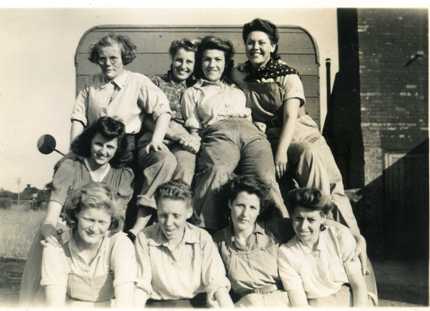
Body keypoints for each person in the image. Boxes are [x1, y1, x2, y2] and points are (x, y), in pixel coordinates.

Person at [232, 17, 368, 271]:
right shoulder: (241, 73)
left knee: (320, 172)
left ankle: (341, 236)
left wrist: (282, 152)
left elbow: (291, 116)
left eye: (262, 42)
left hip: (299, 135)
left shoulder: (288, 75)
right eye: (250, 43)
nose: (255, 48)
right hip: (269, 139)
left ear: (273, 46)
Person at [19, 116, 134, 305]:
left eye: (110, 147)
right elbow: (51, 219)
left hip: (101, 238)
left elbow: (116, 222)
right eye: (99, 144)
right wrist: (55, 236)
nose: (103, 151)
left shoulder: (122, 175)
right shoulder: (70, 167)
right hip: (65, 232)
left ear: (117, 148)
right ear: (90, 141)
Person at [70, 33, 175, 234]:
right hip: (99, 146)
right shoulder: (90, 86)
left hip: (130, 143)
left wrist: (156, 139)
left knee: (164, 161)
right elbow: (78, 118)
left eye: (113, 58)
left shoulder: (138, 81)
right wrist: (73, 150)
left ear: (123, 57)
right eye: (102, 58)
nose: (108, 63)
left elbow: (163, 111)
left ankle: (138, 227)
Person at [181, 35, 288, 233]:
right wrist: (193, 137)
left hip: (250, 131)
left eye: (218, 59)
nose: (212, 65)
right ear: (199, 63)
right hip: (219, 131)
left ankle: (281, 232)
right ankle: (205, 233)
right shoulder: (192, 93)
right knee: (217, 171)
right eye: (207, 59)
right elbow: (193, 127)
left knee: (265, 178)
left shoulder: (237, 87)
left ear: (226, 63)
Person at [134, 180, 234, 308]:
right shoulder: (144, 238)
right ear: (157, 211)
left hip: (195, 304)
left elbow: (217, 283)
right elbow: (141, 285)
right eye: (163, 215)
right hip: (158, 305)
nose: (169, 223)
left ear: (189, 212)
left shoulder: (202, 238)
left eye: (176, 216)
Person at [40, 182, 136, 308]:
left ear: (111, 221)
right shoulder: (57, 246)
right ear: (76, 214)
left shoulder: (120, 244)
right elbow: (55, 304)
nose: (94, 228)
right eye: (89, 220)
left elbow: (125, 301)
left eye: (102, 222)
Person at [278, 188, 378, 307]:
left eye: (311, 220)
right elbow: (299, 304)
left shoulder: (340, 236)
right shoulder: (286, 254)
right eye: (298, 219)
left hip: (349, 296)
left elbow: (358, 286)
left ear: (323, 218)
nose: (303, 227)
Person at [213, 175, 291, 307]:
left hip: (279, 300)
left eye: (252, 208)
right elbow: (217, 282)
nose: (245, 214)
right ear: (230, 204)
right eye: (240, 205)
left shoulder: (275, 230)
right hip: (245, 303)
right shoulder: (218, 241)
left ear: (260, 210)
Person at [142, 38, 200, 186]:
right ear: (172, 60)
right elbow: (145, 119)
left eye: (189, 62)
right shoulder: (156, 82)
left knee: (185, 164)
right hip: (155, 134)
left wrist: (189, 138)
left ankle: (176, 208)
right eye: (179, 60)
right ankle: (147, 207)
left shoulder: (195, 88)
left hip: (182, 140)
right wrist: (173, 134)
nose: (183, 66)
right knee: (164, 160)